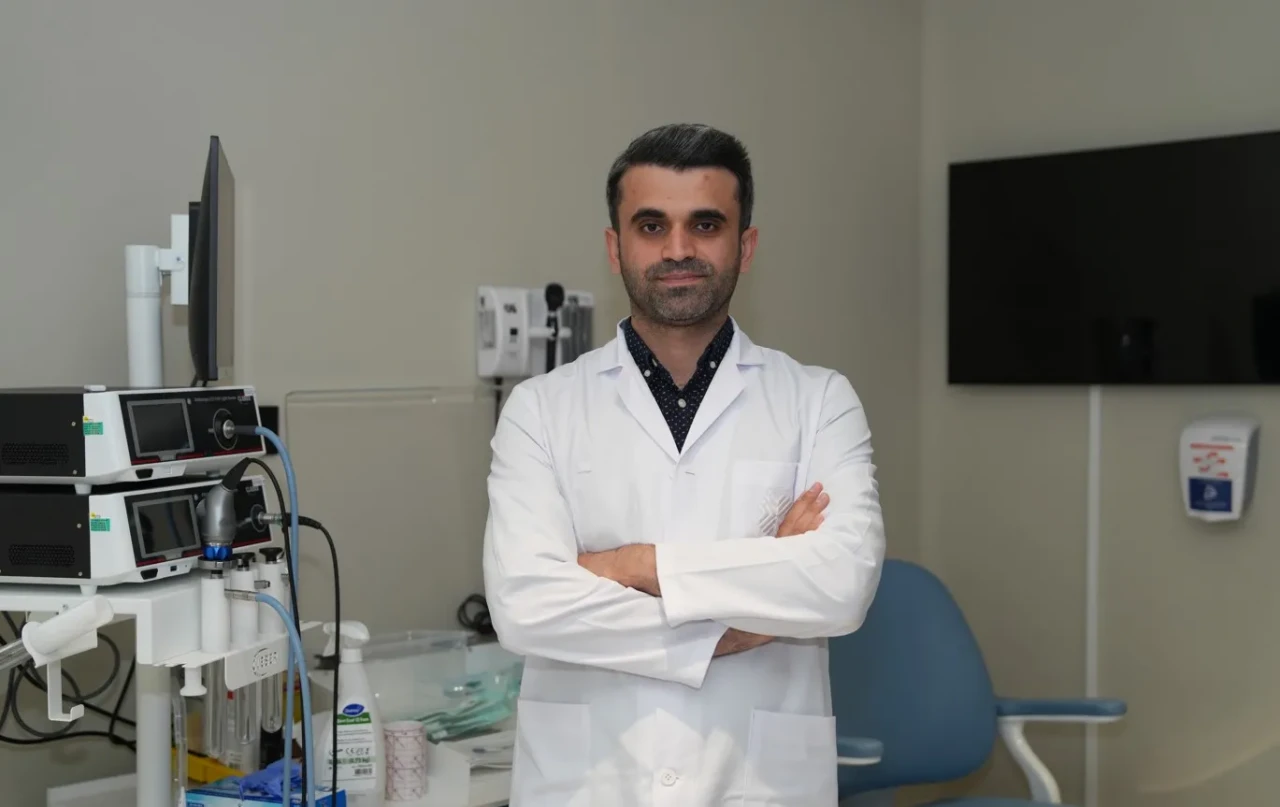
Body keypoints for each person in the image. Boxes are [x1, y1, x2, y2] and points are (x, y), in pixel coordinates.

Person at [482, 123, 886, 806]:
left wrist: (631, 565)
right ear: (615, 247)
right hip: (591, 785)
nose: (677, 249)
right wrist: (753, 612)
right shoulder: (540, 409)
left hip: (757, 784)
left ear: (745, 245)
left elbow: (841, 585)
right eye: (651, 226)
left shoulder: (819, 400)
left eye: (705, 224)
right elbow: (524, 605)